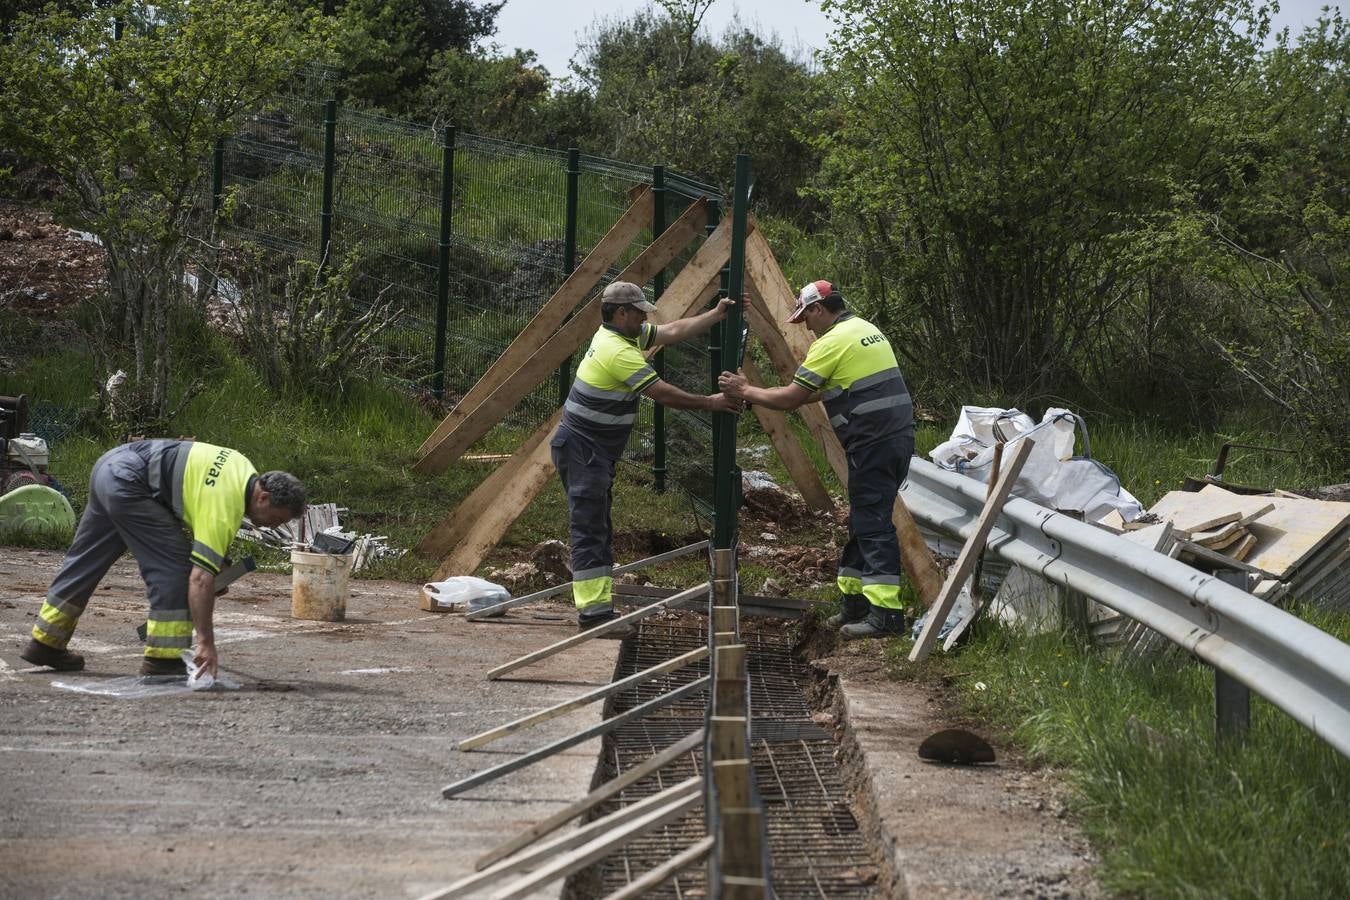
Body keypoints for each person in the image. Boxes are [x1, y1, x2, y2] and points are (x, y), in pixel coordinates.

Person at [719, 280, 915, 639]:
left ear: (818, 310)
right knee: (863, 521)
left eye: (805, 318)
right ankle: (854, 606)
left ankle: (886, 616)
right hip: (895, 440)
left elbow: (793, 397)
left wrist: (745, 391)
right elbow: (826, 389)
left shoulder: (830, 343)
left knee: (872, 525)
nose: (806, 327)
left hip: (872, 443)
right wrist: (760, 394)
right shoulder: (865, 330)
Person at [20, 440, 304, 677]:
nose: (273, 527)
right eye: (277, 519)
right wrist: (205, 642)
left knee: (84, 562)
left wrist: (220, 558)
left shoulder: (243, 470)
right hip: (131, 484)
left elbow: (198, 498)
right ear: (263, 498)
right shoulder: (226, 505)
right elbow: (199, 578)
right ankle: (164, 659)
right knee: (176, 570)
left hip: (109, 467)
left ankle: (46, 642)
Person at [553, 281, 741, 633]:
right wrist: (710, 402)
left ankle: (598, 609)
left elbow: (672, 331)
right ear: (621, 313)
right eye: (640, 312)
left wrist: (716, 314)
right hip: (584, 450)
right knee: (590, 529)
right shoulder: (617, 350)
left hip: (590, 449)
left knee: (598, 526)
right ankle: (594, 615)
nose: (645, 318)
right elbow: (661, 392)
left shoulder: (623, 336)